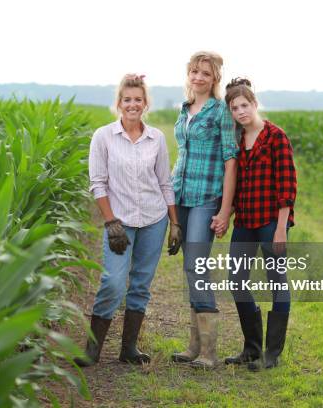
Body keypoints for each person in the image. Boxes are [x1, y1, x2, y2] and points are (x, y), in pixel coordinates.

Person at [75, 74, 182, 367]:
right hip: (119, 221)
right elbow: (98, 183)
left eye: (138, 99)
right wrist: (111, 222)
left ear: (145, 103)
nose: (132, 104)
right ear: (119, 103)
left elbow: (164, 183)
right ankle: (92, 349)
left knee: (141, 284)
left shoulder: (156, 138)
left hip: (153, 219)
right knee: (113, 281)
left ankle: (128, 349)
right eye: (127, 99)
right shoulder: (103, 137)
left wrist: (175, 223)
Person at [221, 78, 297, 371]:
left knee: (276, 280)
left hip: (271, 222)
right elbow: (237, 184)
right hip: (246, 220)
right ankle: (251, 349)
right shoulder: (238, 140)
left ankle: (272, 354)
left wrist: (280, 228)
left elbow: (287, 185)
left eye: (244, 105)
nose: (240, 111)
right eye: (234, 107)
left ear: (254, 104)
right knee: (237, 280)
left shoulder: (276, 136)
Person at [170, 51, 239, 369]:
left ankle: (209, 353)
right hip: (180, 196)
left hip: (205, 198)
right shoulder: (184, 109)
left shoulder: (220, 111)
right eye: (194, 71)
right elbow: (182, 154)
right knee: (189, 268)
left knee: (197, 266)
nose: (198, 77)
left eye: (206, 74)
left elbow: (230, 160)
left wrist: (225, 211)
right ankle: (193, 346)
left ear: (215, 79)